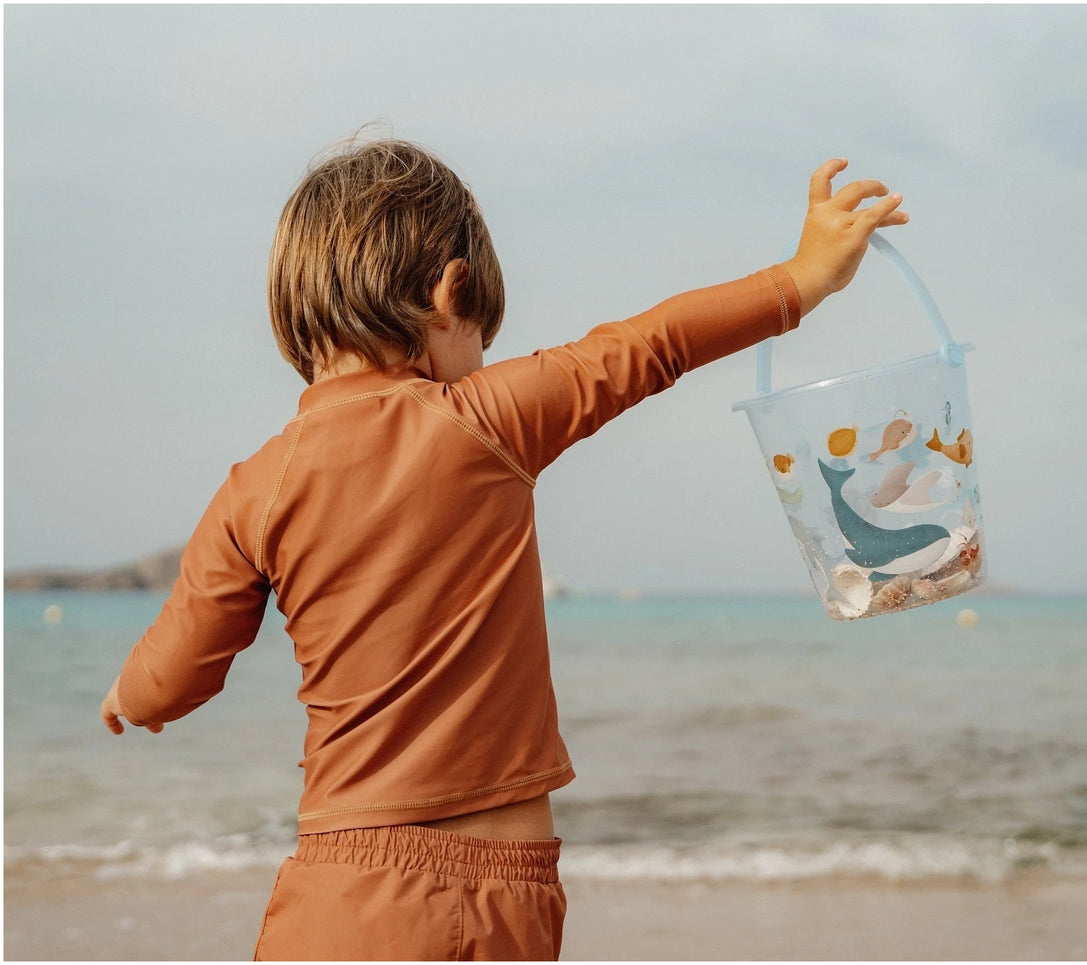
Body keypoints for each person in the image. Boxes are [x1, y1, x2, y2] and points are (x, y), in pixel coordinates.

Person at [99, 136, 908, 961]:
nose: (481, 360)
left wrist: (129, 698)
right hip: (504, 896)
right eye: (483, 334)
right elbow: (649, 347)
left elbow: (172, 674)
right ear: (450, 293)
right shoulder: (481, 419)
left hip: (341, 892)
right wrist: (803, 277)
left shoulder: (254, 488)